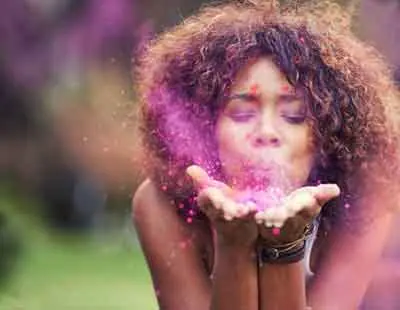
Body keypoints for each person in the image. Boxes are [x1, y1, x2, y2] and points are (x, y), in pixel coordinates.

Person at [132, 1, 400, 309]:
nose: (267, 131)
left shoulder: (366, 200)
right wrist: (234, 244)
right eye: (243, 114)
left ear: (328, 136)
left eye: (294, 115)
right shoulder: (160, 203)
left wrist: (284, 245)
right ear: (204, 128)